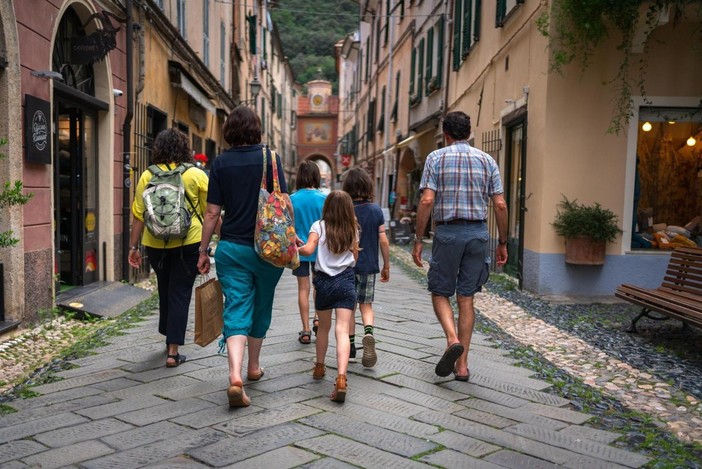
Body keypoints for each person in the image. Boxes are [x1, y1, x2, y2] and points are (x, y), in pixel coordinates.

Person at [197, 106, 291, 407]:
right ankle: (253, 366)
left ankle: (234, 375)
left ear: (229, 131)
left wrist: (203, 250)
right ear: (257, 129)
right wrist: (294, 235)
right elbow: (284, 203)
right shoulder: (271, 159)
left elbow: (212, 212)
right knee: (261, 305)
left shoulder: (221, 164)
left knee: (236, 306)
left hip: (232, 250)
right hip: (269, 250)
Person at [411, 111, 508, 381]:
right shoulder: (487, 160)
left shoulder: (436, 158)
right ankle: (462, 366)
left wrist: (418, 240)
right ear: (468, 132)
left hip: (448, 233)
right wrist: (502, 242)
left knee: (440, 291)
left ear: (446, 134)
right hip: (478, 233)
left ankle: (452, 338)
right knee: (466, 298)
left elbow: (427, 201)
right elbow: (500, 204)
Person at [128, 128, 209, 368]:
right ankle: (174, 351)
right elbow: (210, 213)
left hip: (155, 243)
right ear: (185, 149)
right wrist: (220, 241)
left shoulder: (147, 175)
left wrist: (133, 246)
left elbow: (138, 215)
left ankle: (168, 340)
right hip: (189, 242)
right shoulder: (196, 175)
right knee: (180, 293)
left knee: (165, 289)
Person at [298, 190, 359, 403]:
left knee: (323, 328)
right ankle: (341, 378)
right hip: (346, 281)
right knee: (342, 331)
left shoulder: (318, 226)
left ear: (327, 207)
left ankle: (319, 367)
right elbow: (355, 256)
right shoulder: (353, 227)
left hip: (324, 283)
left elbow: (307, 250)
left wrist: (297, 245)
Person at [342, 168, 389, 368]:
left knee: (349, 309)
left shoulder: (345, 209)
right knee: (366, 306)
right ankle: (368, 333)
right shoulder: (376, 210)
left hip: (347, 267)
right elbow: (384, 240)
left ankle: (351, 349)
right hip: (369, 266)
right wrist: (386, 264)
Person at [290, 160, 327, 344]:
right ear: (316, 176)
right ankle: (317, 318)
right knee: (318, 286)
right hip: (320, 251)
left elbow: (287, 226)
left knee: (302, 288)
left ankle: (305, 330)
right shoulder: (323, 199)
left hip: (299, 249)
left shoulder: (292, 199)